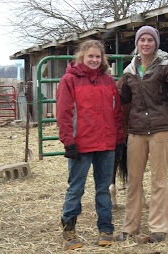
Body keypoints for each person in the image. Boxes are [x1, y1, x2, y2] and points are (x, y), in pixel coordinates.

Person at [115, 26, 168, 243]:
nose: (146, 43)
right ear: (137, 44)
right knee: (133, 180)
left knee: (159, 180)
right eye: (142, 40)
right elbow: (122, 98)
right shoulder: (130, 70)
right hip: (136, 131)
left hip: (161, 129)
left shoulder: (166, 66)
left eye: (150, 40)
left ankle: (158, 227)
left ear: (155, 43)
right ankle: (130, 226)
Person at [56, 39, 124, 250]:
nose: (94, 60)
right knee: (76, 189)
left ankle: (106, 229)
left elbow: (117, 112)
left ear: (102, 58)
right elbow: (63, 113)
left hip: (106, 144)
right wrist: (68, 141)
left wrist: (119, 138)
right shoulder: (69, 80)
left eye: (98, 56)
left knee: (103, 189)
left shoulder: (108, 81)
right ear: (82, 57)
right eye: (90, 56)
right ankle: (69, 230)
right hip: (81, 145)